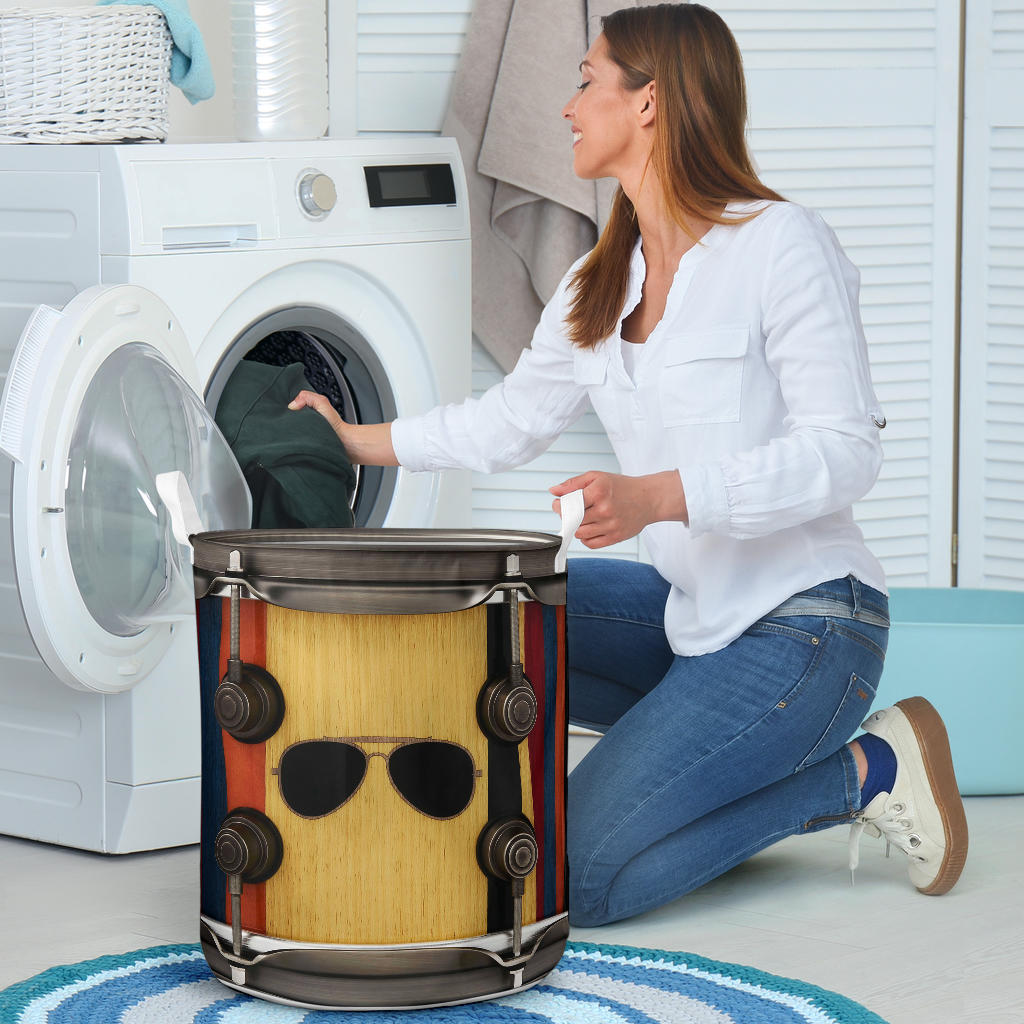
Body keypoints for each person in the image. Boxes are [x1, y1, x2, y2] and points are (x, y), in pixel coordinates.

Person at [289, 2, 968, 927]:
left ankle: (865, 773)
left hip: (809, 627)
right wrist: (362, 438)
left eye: (585, 81)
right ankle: (660, 768)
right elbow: (510, 422)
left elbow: (846, 454)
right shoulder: (597, 281)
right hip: (694, 619)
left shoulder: (779, 244)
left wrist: (660, 497)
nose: (566, 106)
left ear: (648, 103)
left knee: (576, 879)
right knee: (487, 622)